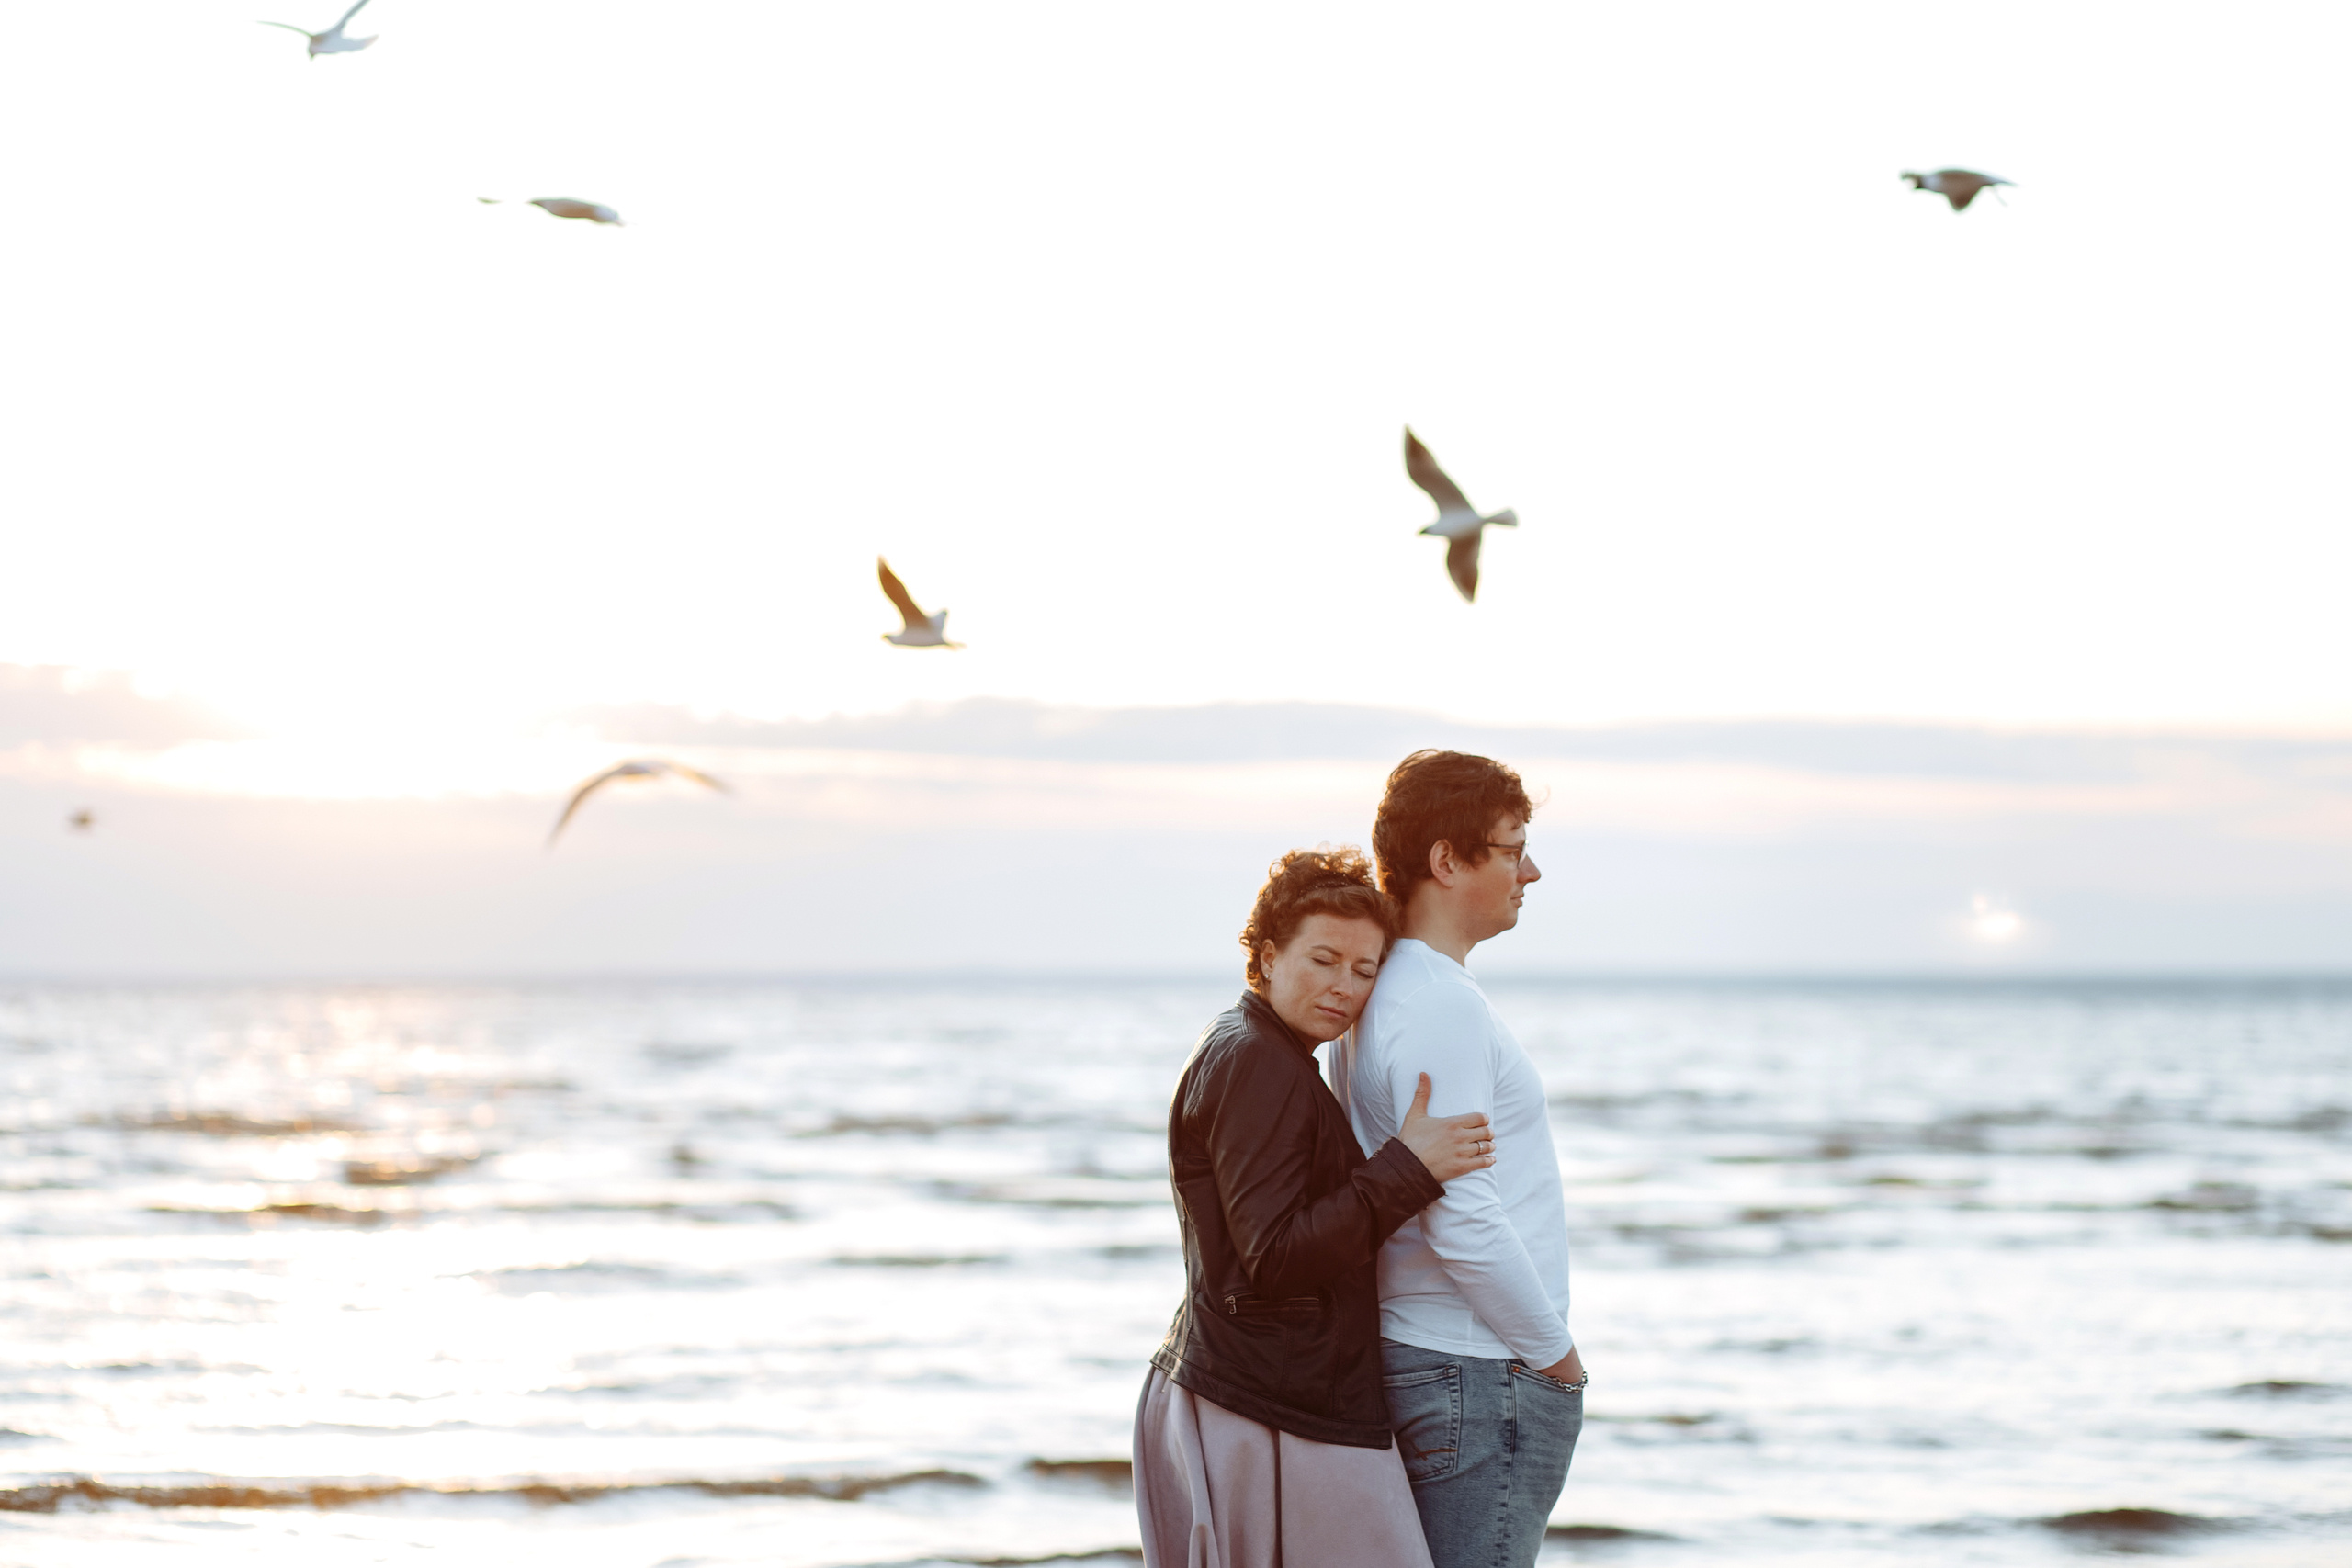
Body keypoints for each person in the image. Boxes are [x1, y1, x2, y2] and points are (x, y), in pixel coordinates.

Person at [1136, 846, 1500, 1568]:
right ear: (1269, 956)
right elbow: (1274, 1256)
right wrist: (1408, 1168)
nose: (1344, 987)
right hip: (1269, 1408)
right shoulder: (1257, 1062)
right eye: (1324, 960)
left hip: (1257, 1391)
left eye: (1365, 971)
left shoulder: (1257, 1046)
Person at [1330, 750, 1580, 1568]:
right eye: (1511, 849)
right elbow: (1461, 1214)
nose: (1531, 871)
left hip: (1439, 1361)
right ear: (1446, 859)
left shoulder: (1388, 990)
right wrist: (1555, 1359)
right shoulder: (1436, 1001)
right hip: (1478, 1371)